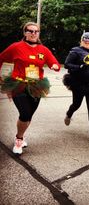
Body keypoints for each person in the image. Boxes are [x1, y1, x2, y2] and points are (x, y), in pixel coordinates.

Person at [0, 22, 60, 154]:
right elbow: (1, 58)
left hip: (36, 85)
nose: (33, 33)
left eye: (36, 31)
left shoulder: (43, 50)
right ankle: (19, 139)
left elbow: (53, 62)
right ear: (25, 32)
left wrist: (55, 66)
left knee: (29, 115)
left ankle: (21, 134)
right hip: (18, 84)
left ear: (39, 33)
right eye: (30, 31)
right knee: (25, 113)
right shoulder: (16, 47)